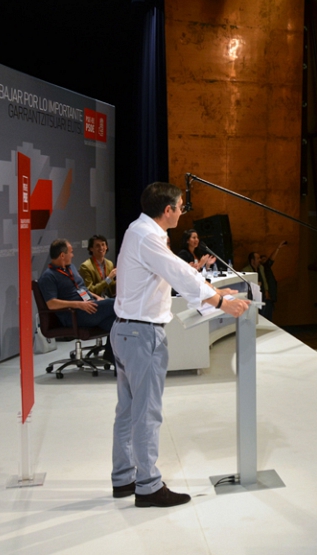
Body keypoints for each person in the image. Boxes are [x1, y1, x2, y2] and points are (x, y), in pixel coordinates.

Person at [111, 182, 251, 507]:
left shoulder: (142, 231)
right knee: (146, 412)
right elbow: (178, 272)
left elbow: (174, 273)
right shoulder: (148, 236)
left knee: (129, 410)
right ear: (168, 210)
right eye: (181, 206)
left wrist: (215, 296)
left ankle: (124, 478)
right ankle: (146, 486)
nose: (182, 211)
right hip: (141, 334)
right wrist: (218, 301)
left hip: (127, 331)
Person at [38, 238, 117, 363]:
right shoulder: (48, 277)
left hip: (89, 307)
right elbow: (51, 304)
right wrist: (78, 304)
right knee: (117, 303)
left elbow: (80, 288)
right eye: (71, 252)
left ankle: (110, 355)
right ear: (62, 255)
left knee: (118, 322)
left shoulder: (71, 268)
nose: (73, 255)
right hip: (74, 315)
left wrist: (96, 297)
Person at [243, 242, 285, 321]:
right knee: (259, 319)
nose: (260, 260)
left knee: (268, 318)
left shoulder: (262, 268)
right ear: (252, 261)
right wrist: (255, 284)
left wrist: (266, 290)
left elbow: (265, 280)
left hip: (265, 297)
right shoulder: (246, 271)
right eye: (258, 258)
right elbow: (244, 285)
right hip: (254, 299)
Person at [79, 234, 117, 298]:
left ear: (106, 247)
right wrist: (108, 279)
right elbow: (90, 291)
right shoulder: (85, 266)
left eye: (103, 245)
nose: (101, 248)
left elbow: (111, 286)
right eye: (97, 245)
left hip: (109, 298)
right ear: (91, 249)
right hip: (96, 300)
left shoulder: (109, 263)